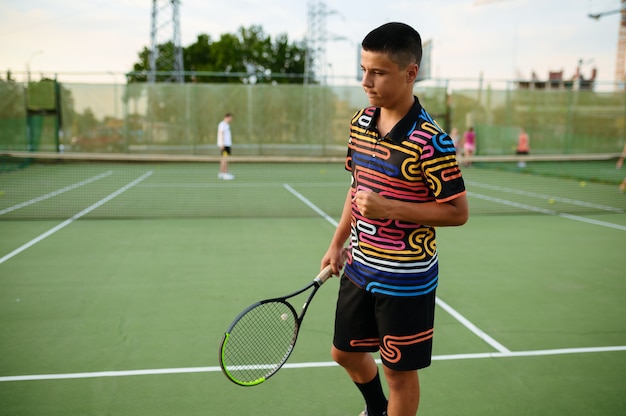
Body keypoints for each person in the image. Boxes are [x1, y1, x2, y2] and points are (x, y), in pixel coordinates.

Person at [321, 22, 469, 416]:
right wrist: (337, 242)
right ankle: (377, 410)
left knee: (399, 375)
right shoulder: (360, 123)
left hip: (405, 279)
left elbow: (458, 212)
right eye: (363, 69)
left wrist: (390, 209)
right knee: (344, 353)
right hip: (358, 265)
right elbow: (357, 189)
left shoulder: (431, 140)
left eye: (378, 72)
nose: (366, 81)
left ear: (410, 73)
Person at [217, 113, 234, 180]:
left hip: (227, 145)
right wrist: (222, 143)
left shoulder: (227, 125)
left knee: (224, 159)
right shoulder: (222, 124)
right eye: (230, 118)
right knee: (225, 159)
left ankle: (222, 173)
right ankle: (225, 174)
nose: (231, 120)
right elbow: (221, 133)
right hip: (225, 145)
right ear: (227, 117)